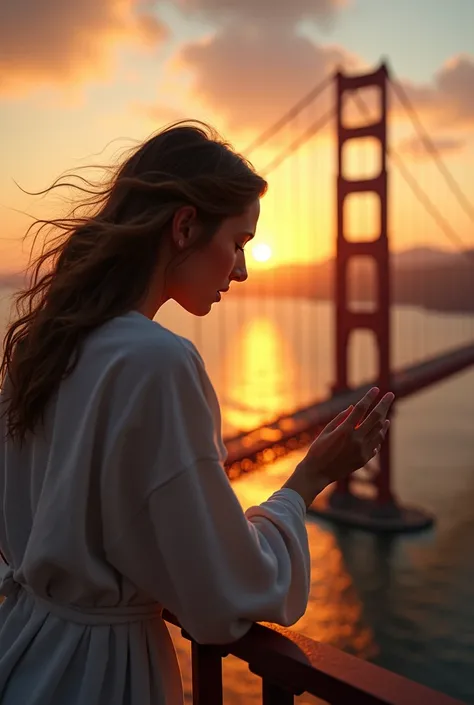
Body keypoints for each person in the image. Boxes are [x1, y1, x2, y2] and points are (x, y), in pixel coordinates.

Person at [0, 121, 394, 705]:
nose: (242, 270)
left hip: (20, 655)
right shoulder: (158, 363)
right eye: (238, 242)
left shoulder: (41, 346)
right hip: (98, 681)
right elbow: (224, 594)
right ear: (185, 227)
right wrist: (308, 479)